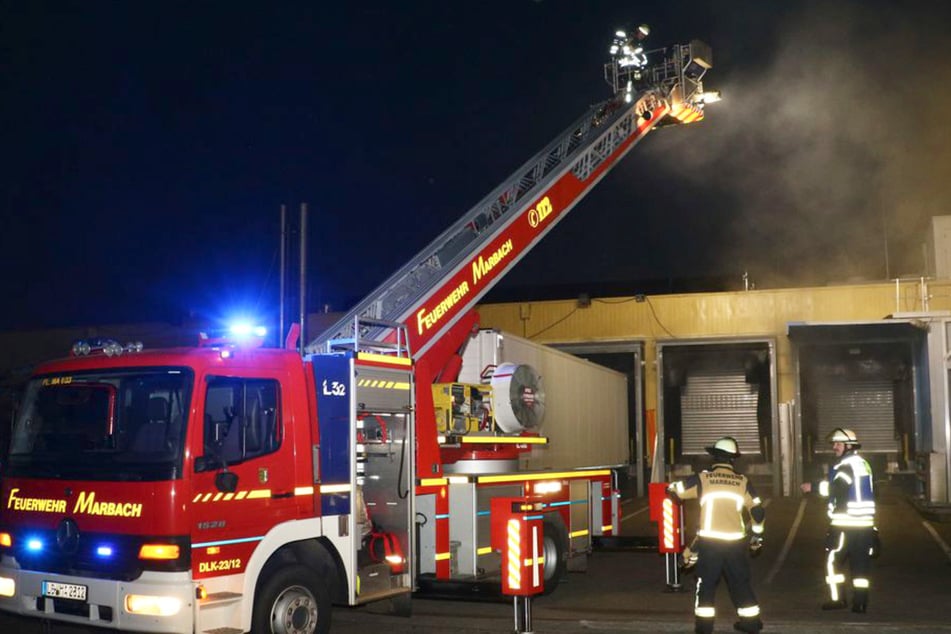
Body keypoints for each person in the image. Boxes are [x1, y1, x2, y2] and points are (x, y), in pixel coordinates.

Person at [668, 436, 766, 634]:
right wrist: (756, 536)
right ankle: (752, 623)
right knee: (740, 583)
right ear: (732, 459)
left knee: (706, 586)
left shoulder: (703, 478)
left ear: (715, 457)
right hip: (736, 543)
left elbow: (678, 491)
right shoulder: (742, 481)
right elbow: (757, 510)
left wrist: (671, 488)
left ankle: (704, 628)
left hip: (710, 543)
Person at [800, 428, 878, 613]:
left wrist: (814, 486)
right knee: (860, 566)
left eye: (838, 444)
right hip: (865, 525)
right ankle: (860, 603)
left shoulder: (845, 466)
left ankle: (838, 599)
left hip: (845, 524)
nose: (834, 447)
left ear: (848, 446)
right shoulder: (863, 464)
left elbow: (838, 489)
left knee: (832, 562)